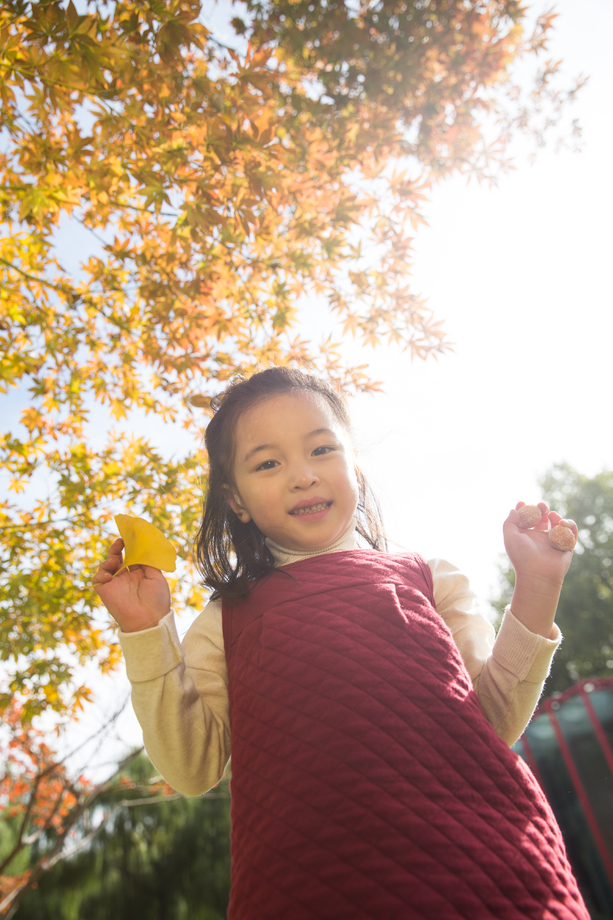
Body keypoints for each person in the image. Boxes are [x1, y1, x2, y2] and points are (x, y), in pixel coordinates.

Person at [94, 366, 589, 920]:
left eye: (322, 449)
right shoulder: (225, 622)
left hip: (498, 868)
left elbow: (490, 723)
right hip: (305, 887)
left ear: (354, 461)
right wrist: (145, 632)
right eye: (268, 463)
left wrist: (538, 587)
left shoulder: (430, 577)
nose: (302, 476)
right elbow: (191, 768)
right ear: (234, 499)